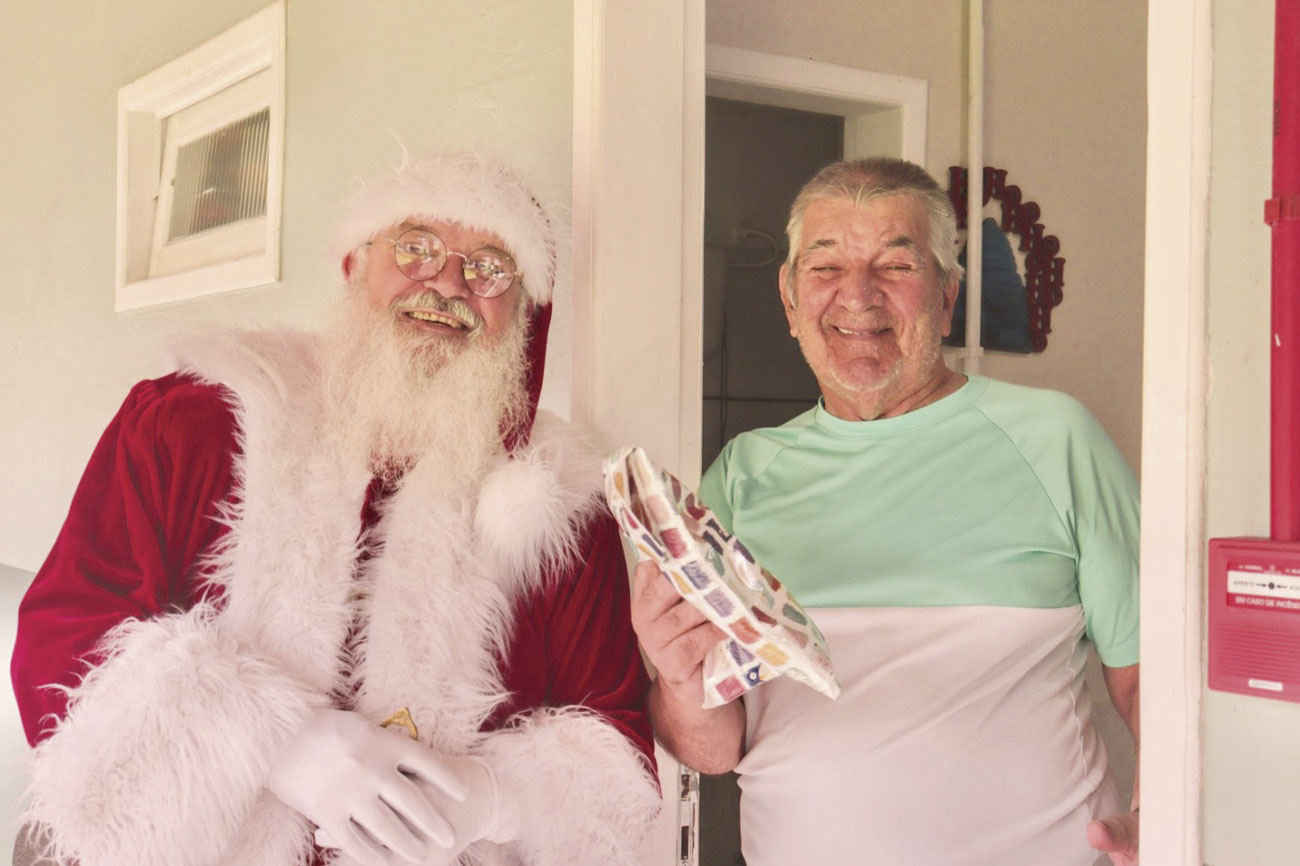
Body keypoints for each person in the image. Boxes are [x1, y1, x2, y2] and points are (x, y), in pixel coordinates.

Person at [12, 153, 661, 866]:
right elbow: (68, 640)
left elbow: (615, 747)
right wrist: (276, 742)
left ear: (524, 313)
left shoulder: (564, 506)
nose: (448, 283)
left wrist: (493, 797)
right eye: (415, 247)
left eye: (489, 267)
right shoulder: (192, 420)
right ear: (357, 266)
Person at [632, 157, 1140, 866]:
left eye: (896, 266)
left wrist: (1163, 807)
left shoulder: (1056, 440)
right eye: (825, 267)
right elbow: (715, 750)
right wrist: (679, 682)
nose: (857, 295)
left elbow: (1150, 674)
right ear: (789, 300)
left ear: (947, 296)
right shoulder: (742, 479)